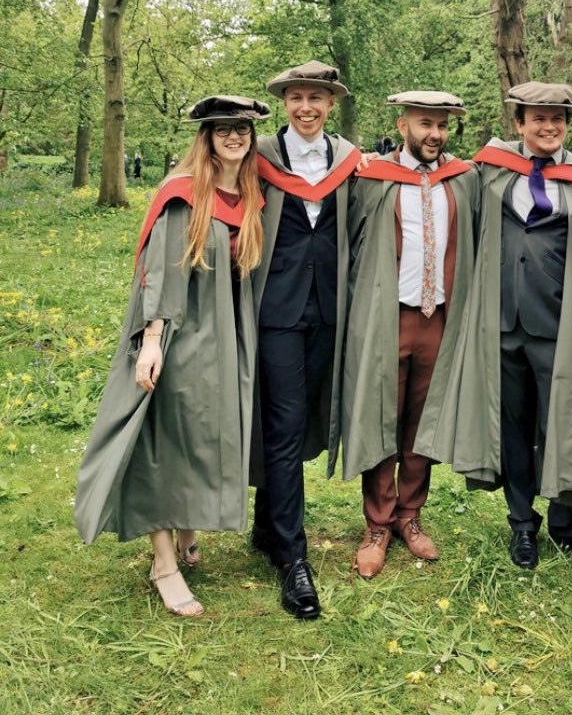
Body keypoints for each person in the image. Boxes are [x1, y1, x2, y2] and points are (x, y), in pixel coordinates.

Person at [75, 95, 270, 616]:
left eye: (242, 130)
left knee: (203, 437)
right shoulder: (183, 194)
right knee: (163, 443)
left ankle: (187, 532)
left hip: (224, 335)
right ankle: (164, 564)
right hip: (180, 334)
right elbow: (160, 273)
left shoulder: (247, 193)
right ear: (205, 138)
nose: (234, 137)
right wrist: (153, 343)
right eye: (223, 129)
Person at [435, 82, 572, 570]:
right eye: (538, 118)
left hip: (560, 325)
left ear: (566, 125)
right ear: (519, 123)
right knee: (511, 425)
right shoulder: (491, 170)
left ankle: (566, 523)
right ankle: (522, 524)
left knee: (563, 426)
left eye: (557, 119)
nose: (548, 126)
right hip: (501, 323)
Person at [341, 91, 479, 579]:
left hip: (438, 319)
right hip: (386, 317)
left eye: (441, 126)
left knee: (424, 423)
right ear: (403, 126)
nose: (434, 134)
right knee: (383, 418)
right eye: (425, 124)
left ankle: (410, 516)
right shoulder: (373, 180)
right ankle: (377, 524)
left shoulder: (462, 181)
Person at [250, 60, 362, 620]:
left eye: (316, 97)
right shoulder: (260, 157)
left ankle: (266, 526)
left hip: (329, 310)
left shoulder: (350, 161)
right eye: (297, 97)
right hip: (276, 309)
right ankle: (294, 558)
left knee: (297, 419)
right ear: (286, 102)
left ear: (330, 103)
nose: (306, 107)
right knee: (286, 422)